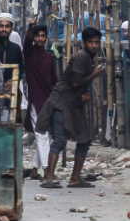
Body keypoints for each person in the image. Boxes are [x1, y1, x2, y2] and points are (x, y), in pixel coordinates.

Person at [37, 27, 106, 189]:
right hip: (61, 102)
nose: (94, 46)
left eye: (97, 42)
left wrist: (84, 94)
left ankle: (75, 178)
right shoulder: (81, 57)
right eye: (91, 42)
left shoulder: (89, 58)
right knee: (60, 139)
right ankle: (49, 177)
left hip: (73, 104)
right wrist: (95, 74)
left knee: (84, 139)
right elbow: (75, 82)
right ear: (84, 43)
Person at [23, 21, 58, 180]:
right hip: (36, 100)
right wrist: (31, 27)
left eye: (43, 36)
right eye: (37, 36)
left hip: (48, 99)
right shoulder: (29, 53)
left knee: (46, 134)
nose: (40, 39)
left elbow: (53, 79)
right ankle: (47, 170)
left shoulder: (50, 56)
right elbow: (27, 41)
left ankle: (34, 170)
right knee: (42, 134)